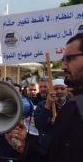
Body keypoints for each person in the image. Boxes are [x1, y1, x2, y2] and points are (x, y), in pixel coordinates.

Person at [42, 33, 83, 161]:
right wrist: (24, 147)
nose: (64, 66)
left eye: (69, 59)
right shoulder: (72, 105)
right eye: (63, 60)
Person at [34, 78, 69, 161]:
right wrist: (48, 105)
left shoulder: (72, 105)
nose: (59, 91)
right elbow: (39, 125)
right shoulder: (42, 105)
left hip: (66, 150)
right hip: (47, 149)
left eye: (62, 88)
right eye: (56, 89)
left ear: (66, 90)